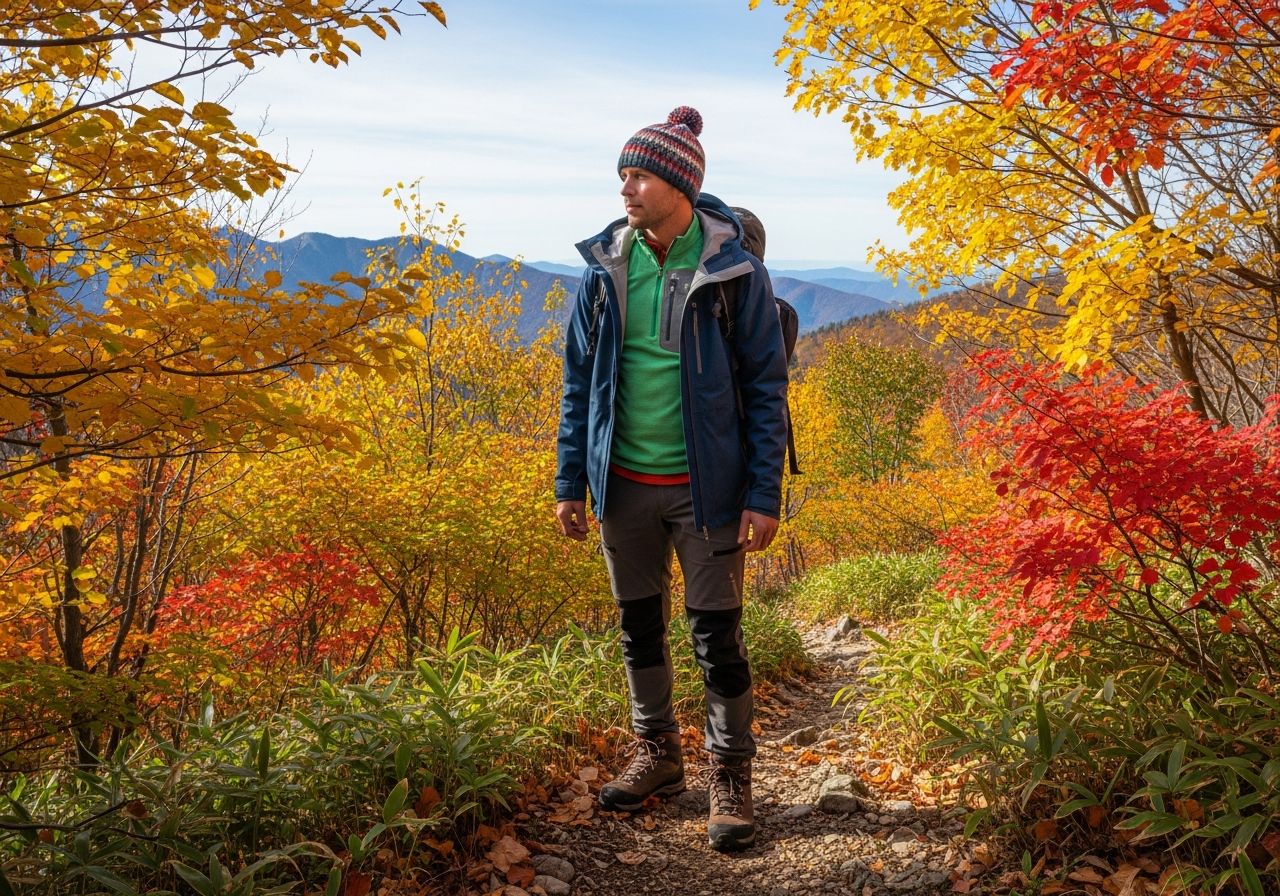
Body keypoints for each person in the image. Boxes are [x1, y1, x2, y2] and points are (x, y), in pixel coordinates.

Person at [554, 106, 788, 852]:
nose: (625, 187)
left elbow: (766, 389)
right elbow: (578, 383)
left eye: (639, 175)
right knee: (638, 629)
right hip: (620, 484)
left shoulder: (734, 272)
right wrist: (569, 480)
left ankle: (730, 774)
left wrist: (763, 494)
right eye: (623, 174)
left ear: (680, 186)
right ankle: (657, 753)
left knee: (717, 636)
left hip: (708, 490)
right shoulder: (605, 269)